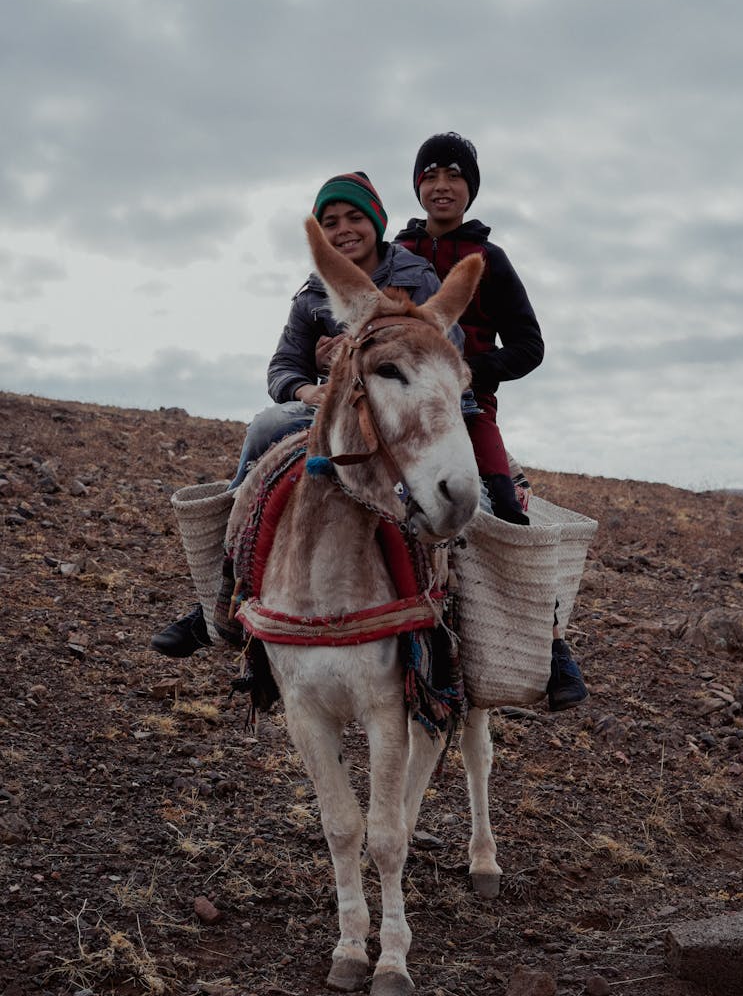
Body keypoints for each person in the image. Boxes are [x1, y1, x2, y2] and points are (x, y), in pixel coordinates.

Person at [151, 171, 462, 658]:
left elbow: (447, 348)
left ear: (377, 222)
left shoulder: (417, 277)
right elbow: (281, 368)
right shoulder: (312, 294)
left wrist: (374, 353)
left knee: (475, 500)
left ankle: (474, 625)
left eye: (354, 217)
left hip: (405, 414)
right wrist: (310, 386)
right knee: (266, 427)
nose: (343, 230)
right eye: (330, 221)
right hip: (333, 413)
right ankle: (223, 583)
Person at [394, 132, 588, 712]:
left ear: (470, 189)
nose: (441, 186)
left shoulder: (491, 261)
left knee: (505, 508)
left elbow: (529, 345)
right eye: (430, 176)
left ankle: (553, 649)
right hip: (397, 409)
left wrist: (471, 372)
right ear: (419, 187)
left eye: (454, 177)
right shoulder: (395, 253)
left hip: (469, 408)